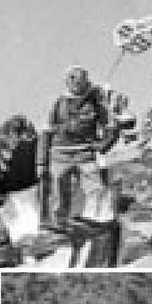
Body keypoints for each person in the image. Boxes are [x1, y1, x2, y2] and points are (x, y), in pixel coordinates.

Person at [36, 66, 119, 231]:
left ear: (86, 80)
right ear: (66, 82)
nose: (76, 82)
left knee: (96, 188)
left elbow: (111, 126)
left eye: (80, 79)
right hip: (59, 155)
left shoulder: (96, 101)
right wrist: (41, 162)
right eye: (72, 79)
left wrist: (104, 145)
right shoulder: (58, 103)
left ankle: (100, 221)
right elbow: (46, 132)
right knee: (58, 191)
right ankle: (58, 226)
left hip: (85, 154)